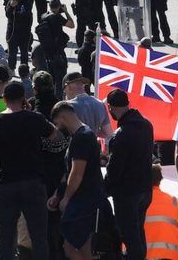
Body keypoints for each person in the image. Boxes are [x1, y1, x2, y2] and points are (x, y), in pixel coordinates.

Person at [0, 81, 62, 260]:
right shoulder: (35, 118)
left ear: (4, 99)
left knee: (6, 237)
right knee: (39, 236)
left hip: (5, 184)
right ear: (23, 98)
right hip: (33, 183)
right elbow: (55, 135)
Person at [49, 101, 104, 260]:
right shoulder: (82, 136)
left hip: (84, 199)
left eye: (58, 123)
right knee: (82, 246)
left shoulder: (82, 137)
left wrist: (66, 198)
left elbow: (77, 172)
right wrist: (57, 195)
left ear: (64, 118)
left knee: (70, 247)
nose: (58, 128)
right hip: (85, 198)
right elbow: (68, 172)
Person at [104, 89, 154, 260]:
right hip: (145, 189)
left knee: (129, 236)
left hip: (127, 193)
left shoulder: (121, 134)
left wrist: (104, 188)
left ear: (111, 107)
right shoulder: (146, 125)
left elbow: (115, 169)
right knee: (138, 232)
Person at [63, 73, 112, 139]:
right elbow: (108, 133)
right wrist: (93, 132)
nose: (65, 94)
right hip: (93, 146)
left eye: (64, 90)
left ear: (67, 87)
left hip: (76, 146)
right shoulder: (100, 103)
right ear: (83, 86)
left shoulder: (67, 107)